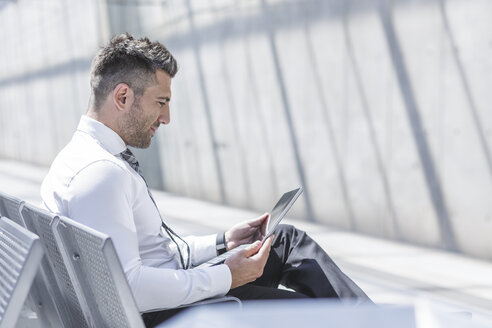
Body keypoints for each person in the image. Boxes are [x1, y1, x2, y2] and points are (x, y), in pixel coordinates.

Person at [41, 33, 371, 327]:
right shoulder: (100, 174)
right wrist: (225, 276)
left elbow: (153, 253)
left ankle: (373, 321)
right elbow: (129, 288)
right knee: (323, 313)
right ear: (123, 97)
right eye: (161, 102)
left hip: (168, 296)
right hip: (171, 312)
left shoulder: (82, 157)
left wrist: (222, 242)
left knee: (282, 239)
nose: (166, 118)